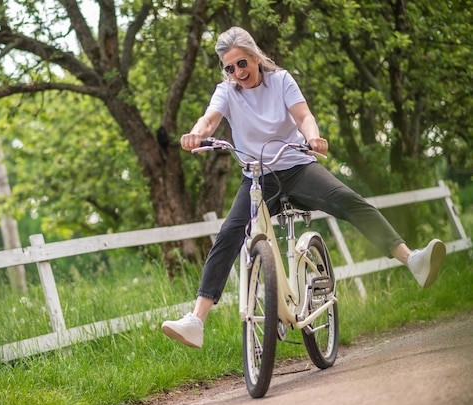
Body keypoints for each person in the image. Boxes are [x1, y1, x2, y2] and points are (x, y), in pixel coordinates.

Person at [161, 27, 446, 349]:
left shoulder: (281, 80)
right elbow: (209, 120)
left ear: (255, 58)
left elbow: (303, 115)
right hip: (257, 177)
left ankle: (413, 261)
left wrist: (312, 137)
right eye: (230, 68)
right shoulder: (226, 92)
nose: (238, 73)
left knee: (348, 200)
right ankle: (196, 320)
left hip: (297, 167)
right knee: (229, 233)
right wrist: (195, 133)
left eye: (242, 63)